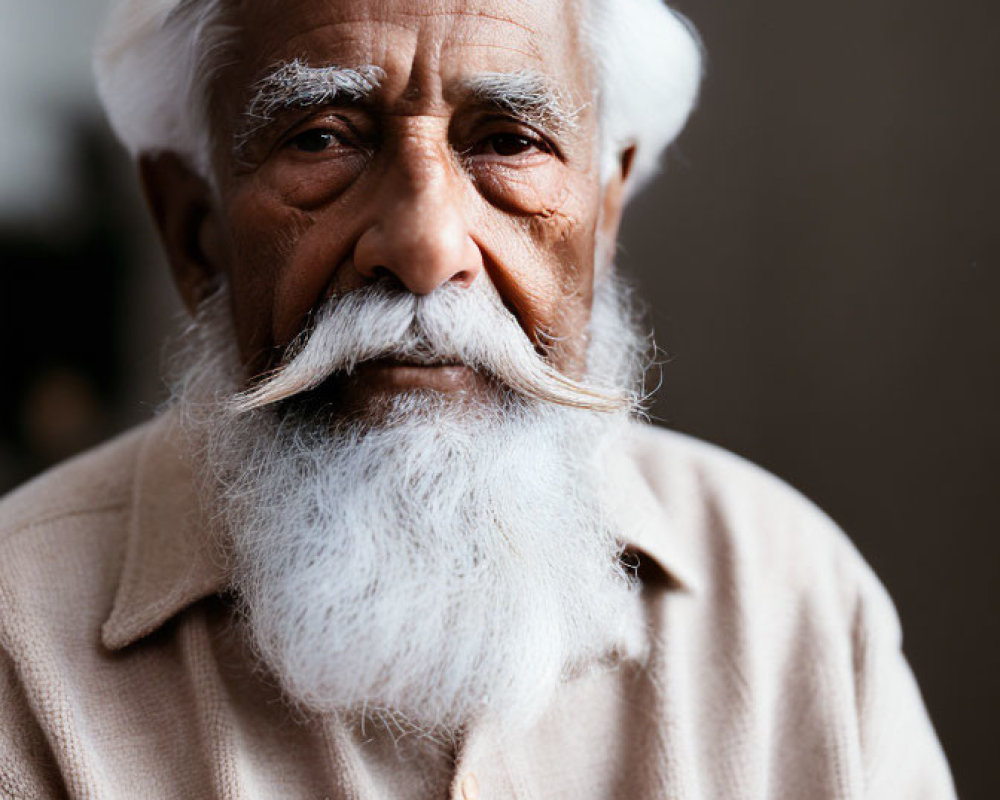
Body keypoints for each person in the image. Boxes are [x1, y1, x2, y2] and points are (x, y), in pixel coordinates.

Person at [0, 0, 956, 797]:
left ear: (605, 214)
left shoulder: (795, 601)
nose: (425, 250)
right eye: (323, 139)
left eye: (508, 141)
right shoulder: (18, 639)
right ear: (193, 228)